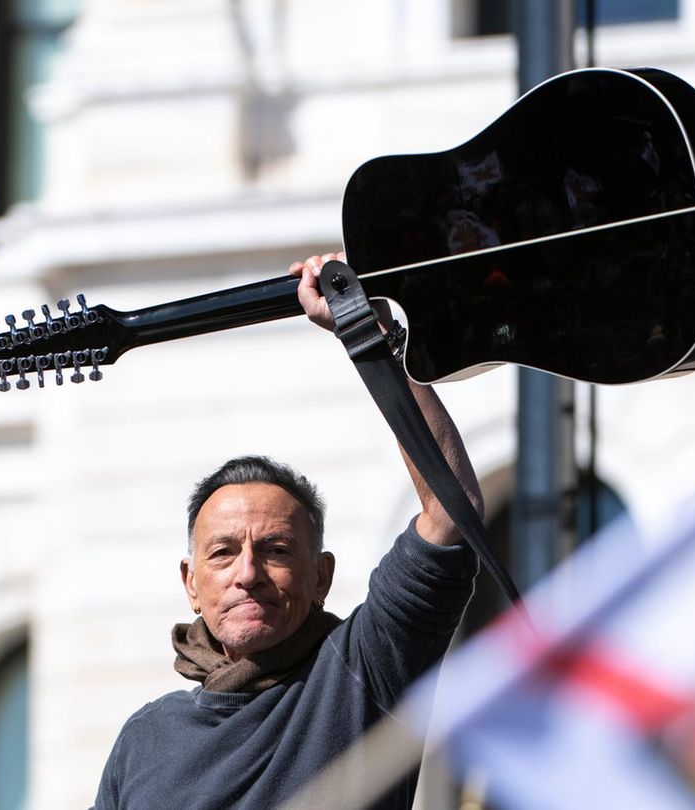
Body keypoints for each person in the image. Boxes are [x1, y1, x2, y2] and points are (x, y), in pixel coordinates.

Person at [89, 253, 483, 810]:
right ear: (190, 582)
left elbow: (451, 511)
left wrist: (367, 336)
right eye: (223, 553)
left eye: (275, 550)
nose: (247, 574)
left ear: (321, 576)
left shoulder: (362, 671)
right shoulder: (145, 739)